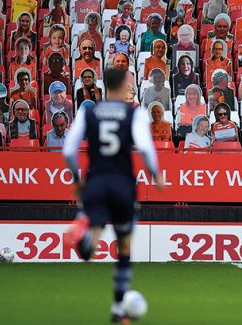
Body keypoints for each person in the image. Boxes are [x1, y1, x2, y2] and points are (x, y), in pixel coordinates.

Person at [63, 68, 164, 323]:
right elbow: (143, 145)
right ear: (125, 84)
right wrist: (155, 173)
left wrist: (77, 179)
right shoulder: (134, 113)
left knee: (92, 246)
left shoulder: (89, 111)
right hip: (122, 184)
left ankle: (85, 231)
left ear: (104, 86)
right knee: (124, 247)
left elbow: (68, 151)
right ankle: (119, 308)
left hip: (96, 181)